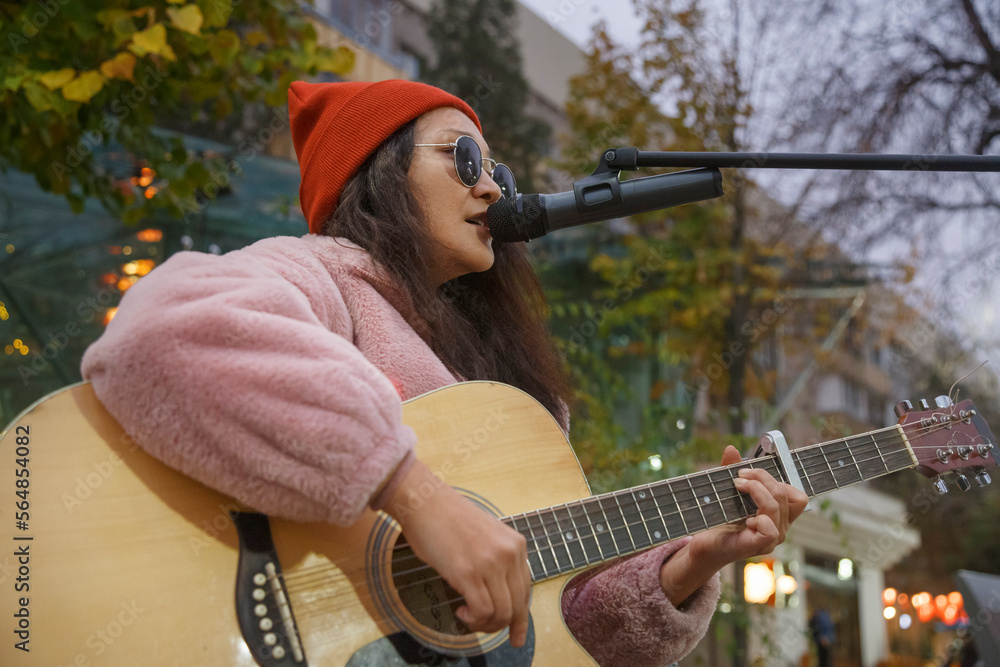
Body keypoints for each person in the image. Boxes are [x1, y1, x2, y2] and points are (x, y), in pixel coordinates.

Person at [81, 79, 808, 666]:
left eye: (499, 170)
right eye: (464, 160)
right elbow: (164, 331)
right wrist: (416, 496)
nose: (491, 188)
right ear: (377, 175)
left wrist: (694, 558)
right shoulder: (318, 275)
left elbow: (558, 630)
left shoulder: (519, 399)